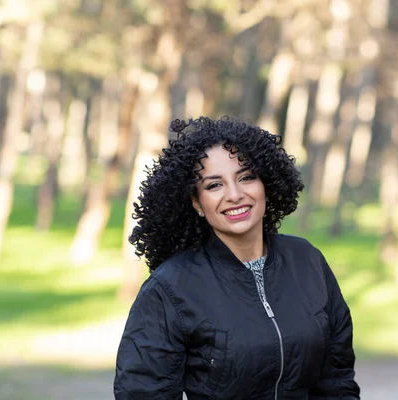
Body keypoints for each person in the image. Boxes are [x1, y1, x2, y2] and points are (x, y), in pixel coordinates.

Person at [114, 116, 360, 399]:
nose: (235, 195)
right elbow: (143, 393)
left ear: (265, 183)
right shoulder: (170, 288)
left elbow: (337, 381)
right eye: (213, 185)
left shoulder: (307, 261)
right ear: (196, 202)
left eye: (246, 177)